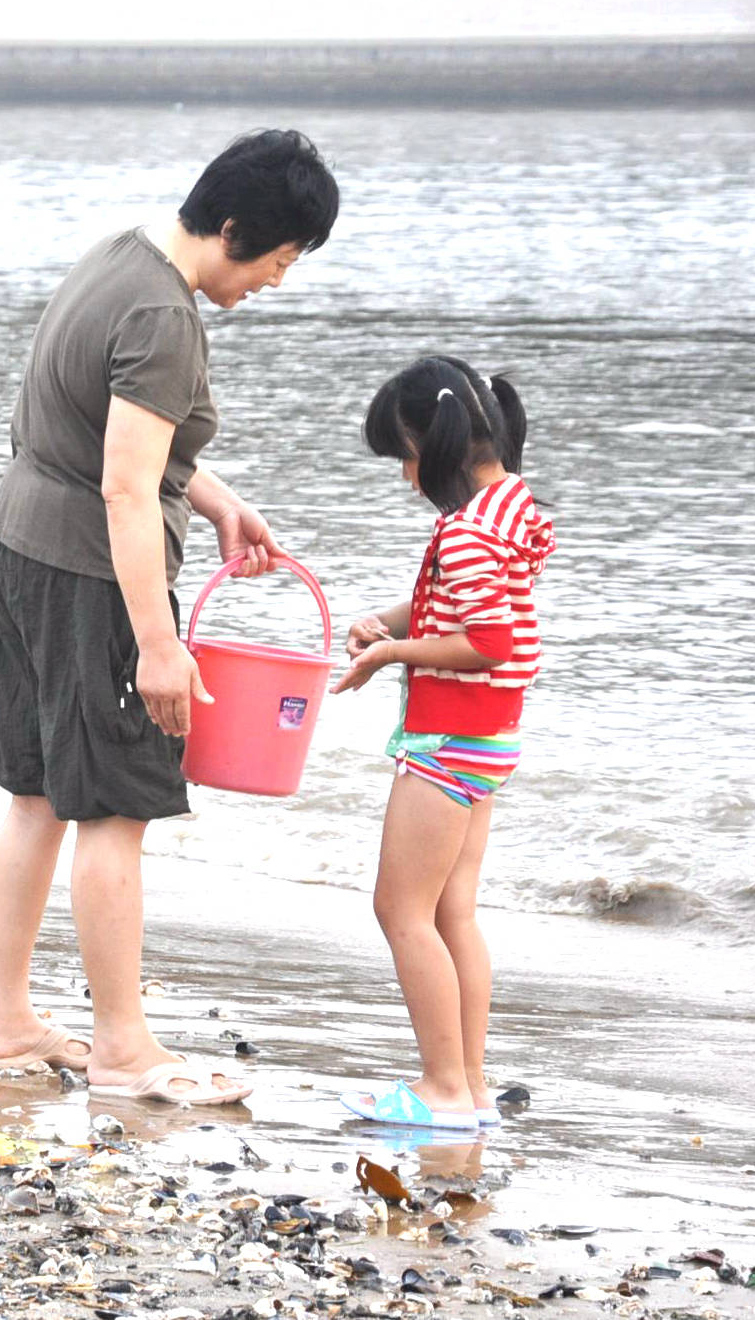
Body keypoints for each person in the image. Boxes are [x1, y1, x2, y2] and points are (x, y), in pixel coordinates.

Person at [0, 129, 338, 1099]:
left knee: (37, 794)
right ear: (233, 229)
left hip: (21, 543)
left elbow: (99, 429)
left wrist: (212, 495)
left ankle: (5, 1018)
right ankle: (123, 1048)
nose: (275, 282)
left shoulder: (119, 257)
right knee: (116, 807)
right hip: (91, 574)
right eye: (279, 260)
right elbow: (127, 491)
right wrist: (160, 645)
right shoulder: (166, 319)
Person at [330, 356, 555, 1130]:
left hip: (447, 741)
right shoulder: (509, 505)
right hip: (490, 736)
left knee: (400, 909)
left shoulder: (461, 533)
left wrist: (392, 653)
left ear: (440, 445)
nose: (402, 475)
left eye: (404, 455)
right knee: (452, 910)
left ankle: (441, 1091)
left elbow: (486, 641)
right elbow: (468, 608)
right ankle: (469, 1086)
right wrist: (392, 622)